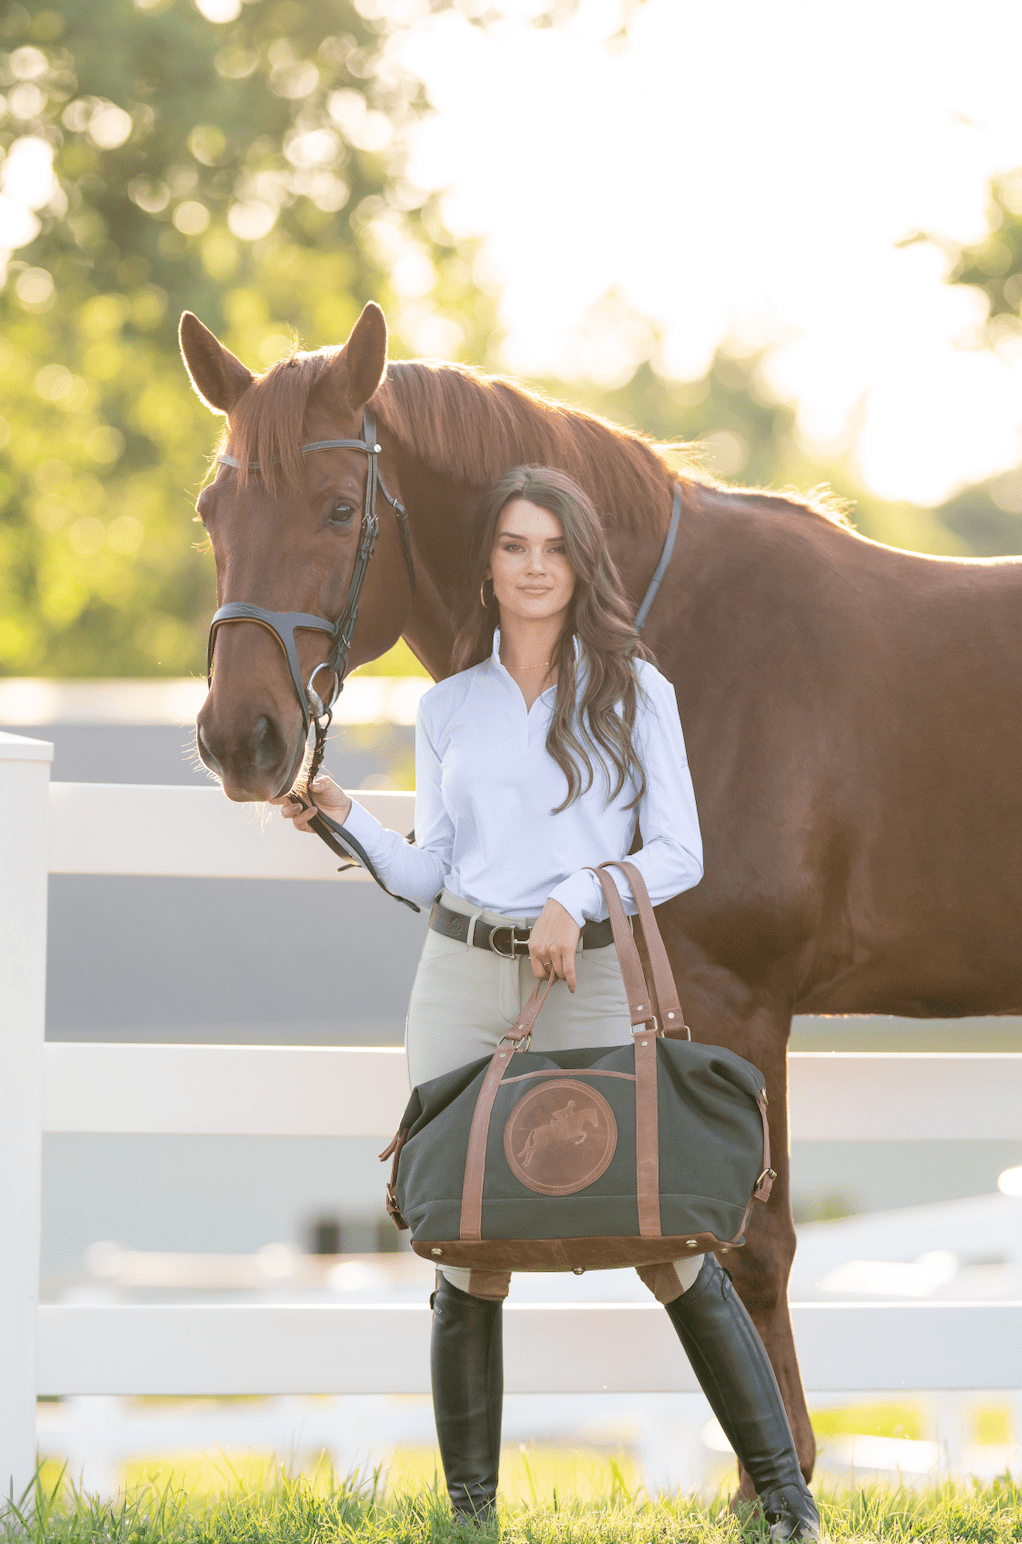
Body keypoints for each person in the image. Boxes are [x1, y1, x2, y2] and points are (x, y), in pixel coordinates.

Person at [275, 465, 820, 1540]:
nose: (532, 566)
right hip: (461, 980)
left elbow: (680, 851)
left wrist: (578, 896)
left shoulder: (634, 691)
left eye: (553, 548)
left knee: (665, 1238)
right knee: (468, 1240)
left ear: (580, 565)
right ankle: (471, 1518)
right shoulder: (449, 705)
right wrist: (347, 819)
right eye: (514, 545)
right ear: (487, 562)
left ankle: (789, 1501)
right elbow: (436, 869)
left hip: (590, 974)